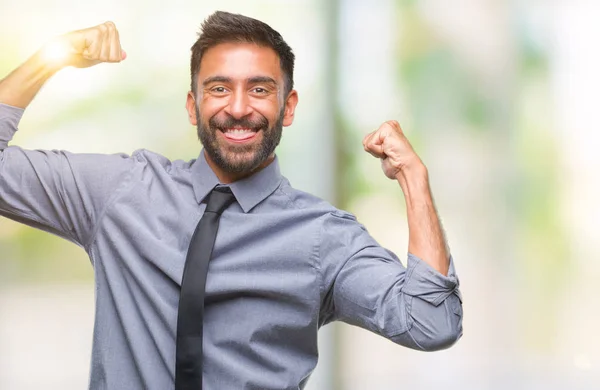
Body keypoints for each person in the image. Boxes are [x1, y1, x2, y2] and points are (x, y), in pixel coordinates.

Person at [0, 10, 462, 390]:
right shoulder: (121, 193)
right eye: (219, 88)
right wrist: (49, 59)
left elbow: (430, 322)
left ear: (289, 106)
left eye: (259, 89)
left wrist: (413, 179)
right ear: (191, 105)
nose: (238, 108)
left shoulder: (324, 236)